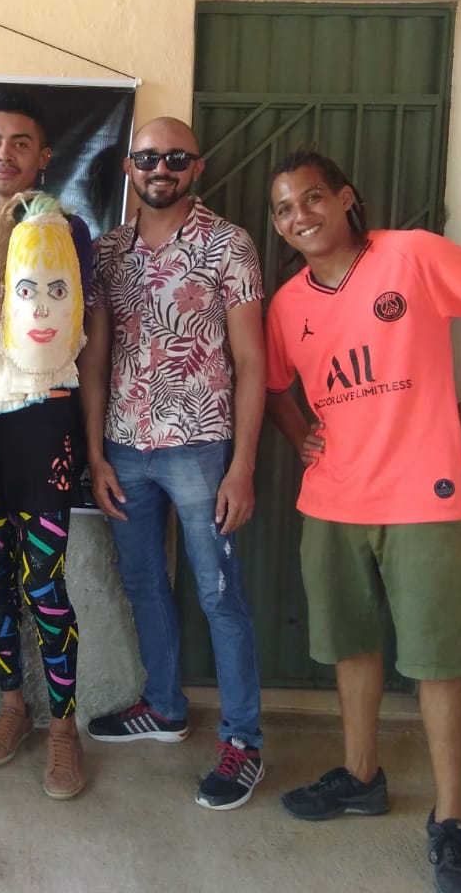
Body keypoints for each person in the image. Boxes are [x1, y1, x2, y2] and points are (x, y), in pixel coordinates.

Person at [264, 148, 461, 893]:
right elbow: (271, 385)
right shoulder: (287, 304)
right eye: (285, 208)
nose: (300, 216)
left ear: (346, 198)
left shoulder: (410, 256)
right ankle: (362, 776)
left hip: (421, 496)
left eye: (312, 197)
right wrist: (299, 435)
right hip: (332, 500)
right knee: (351, 646)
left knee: (434, 660)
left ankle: (451, 819)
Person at [81, 116, 267, 812]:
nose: (162, 167)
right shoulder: (108, 252)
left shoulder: (229, 244)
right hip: (125, 446)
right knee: (142, 582)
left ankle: (243, 741)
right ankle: (163, 707)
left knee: (219, 592)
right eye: (149, 157)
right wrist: (95, 451)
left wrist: (242, 466)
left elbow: (252, 360)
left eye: (176, 158)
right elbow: (95, 356)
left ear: (198, 166)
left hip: (201, 446)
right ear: (130, 166)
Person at [0, 91, 91, 800]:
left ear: (44, 156)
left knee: (44, 582)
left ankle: (64, 728)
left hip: (45, 424)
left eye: (21, 142)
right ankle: (13, 708)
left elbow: (87, 335)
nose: (6, 154)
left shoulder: (67, 231)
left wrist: (94, 440)